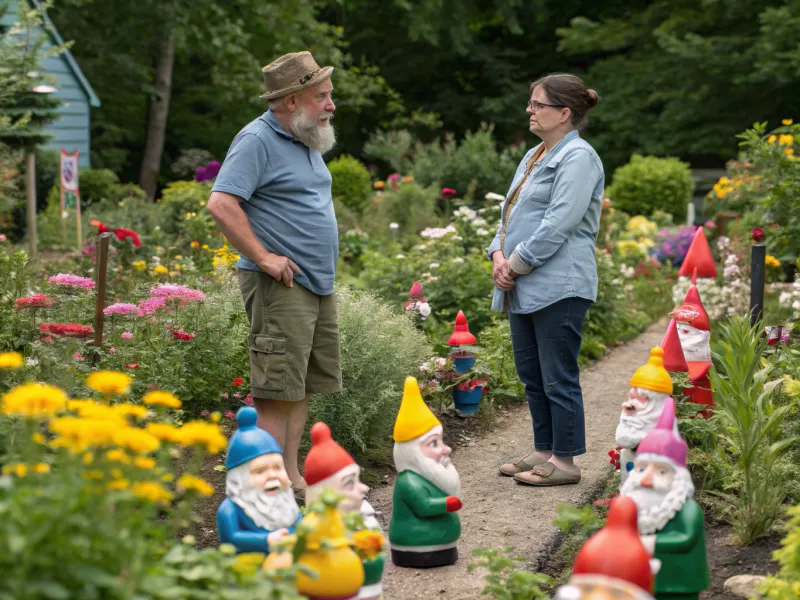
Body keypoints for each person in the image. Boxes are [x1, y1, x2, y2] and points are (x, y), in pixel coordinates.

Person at [207, 51, 341, 499]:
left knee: (297, 386)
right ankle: (258, 493)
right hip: (280, 285)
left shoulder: (304, 137)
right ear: (290, 101)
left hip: (313, 283)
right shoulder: (256, 140)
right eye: (321, 96)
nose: (331, 105)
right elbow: (221, 204)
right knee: (274, 391)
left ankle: (290, 477)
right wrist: (264, 257)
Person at [493, 73, 604, 486]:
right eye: (531, 103)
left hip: (561, 285)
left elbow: (559, 223)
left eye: (538, 104)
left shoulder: (579, 158)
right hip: (524, 284)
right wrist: (498, 255)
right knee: (532, 375)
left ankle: (566, 462)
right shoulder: (535, 155)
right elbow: (509, 213)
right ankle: (543, 450)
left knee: (558, 374)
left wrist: (515, 263)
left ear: (564, 113)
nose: (529, 110)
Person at [217, 407, 302, 553]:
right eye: (260, 471)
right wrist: (266, 540)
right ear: (238, 480)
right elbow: (231, 538)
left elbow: (299, 524)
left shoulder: (286, 502)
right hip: (249, 569)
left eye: (277, 468)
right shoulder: (229, 509)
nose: (272, 475)